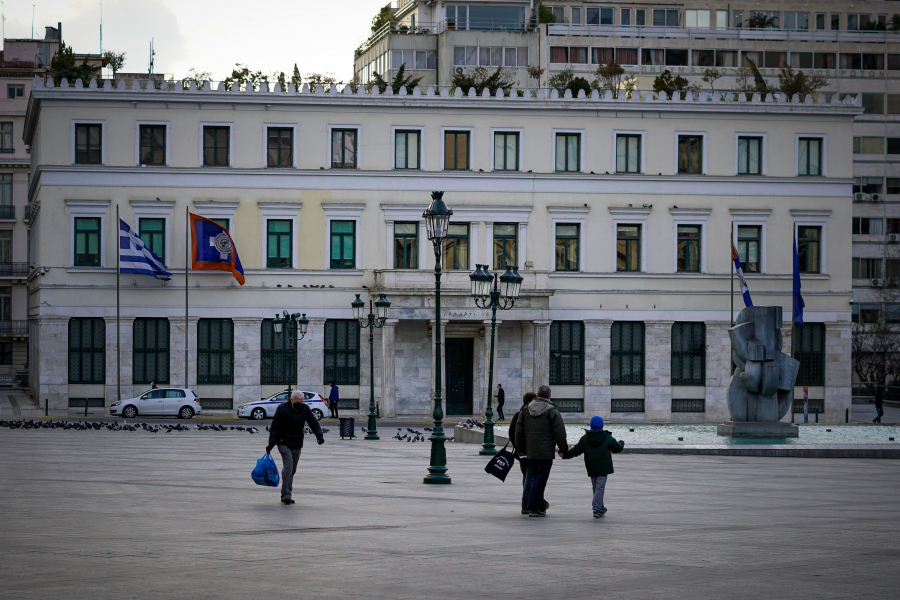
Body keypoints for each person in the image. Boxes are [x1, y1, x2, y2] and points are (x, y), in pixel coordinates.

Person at [514, 384, 568, 517]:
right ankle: (535, 507)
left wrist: (521, 450)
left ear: (537, 395)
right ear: (549, 396)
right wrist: (563, 449)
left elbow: (519, 432)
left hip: (530, 451)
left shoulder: (525, 410)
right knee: (540, 479)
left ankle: (530, 505)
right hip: (545, 452)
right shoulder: (552, 410)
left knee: (531, 477)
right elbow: (559, 432)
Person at [559, 416, 625, 518]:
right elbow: (616, 448)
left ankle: (601, 508)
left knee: (596, 487)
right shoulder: (607, 437)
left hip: (591, 466)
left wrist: (565, 455)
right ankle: (597, 509)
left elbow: (575, 451)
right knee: (600, 488)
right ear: (602, 425)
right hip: (603, 467)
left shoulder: (585, 438)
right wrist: (621, 443)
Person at [266, 390, 324, 505]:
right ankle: (286, 494)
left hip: (297, 443)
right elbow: (275, 427)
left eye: (301, 402)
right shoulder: (282, 408)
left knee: (292, 469)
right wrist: (271, 444)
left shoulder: (305, 409)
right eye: (297, 402)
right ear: (291, 400)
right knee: (288, 466)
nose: (299, 404)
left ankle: (287, 492)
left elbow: (313, 423)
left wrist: (319, 436)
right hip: (283, 442)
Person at [509, 392, 549, 515]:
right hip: (534, 451)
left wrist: (518, 448)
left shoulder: (518, 414)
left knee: (527, 477)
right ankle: (533, 504)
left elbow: (512, 434)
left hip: (522, 453)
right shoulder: (532, 414)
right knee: (535, 478)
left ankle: (531, 504)